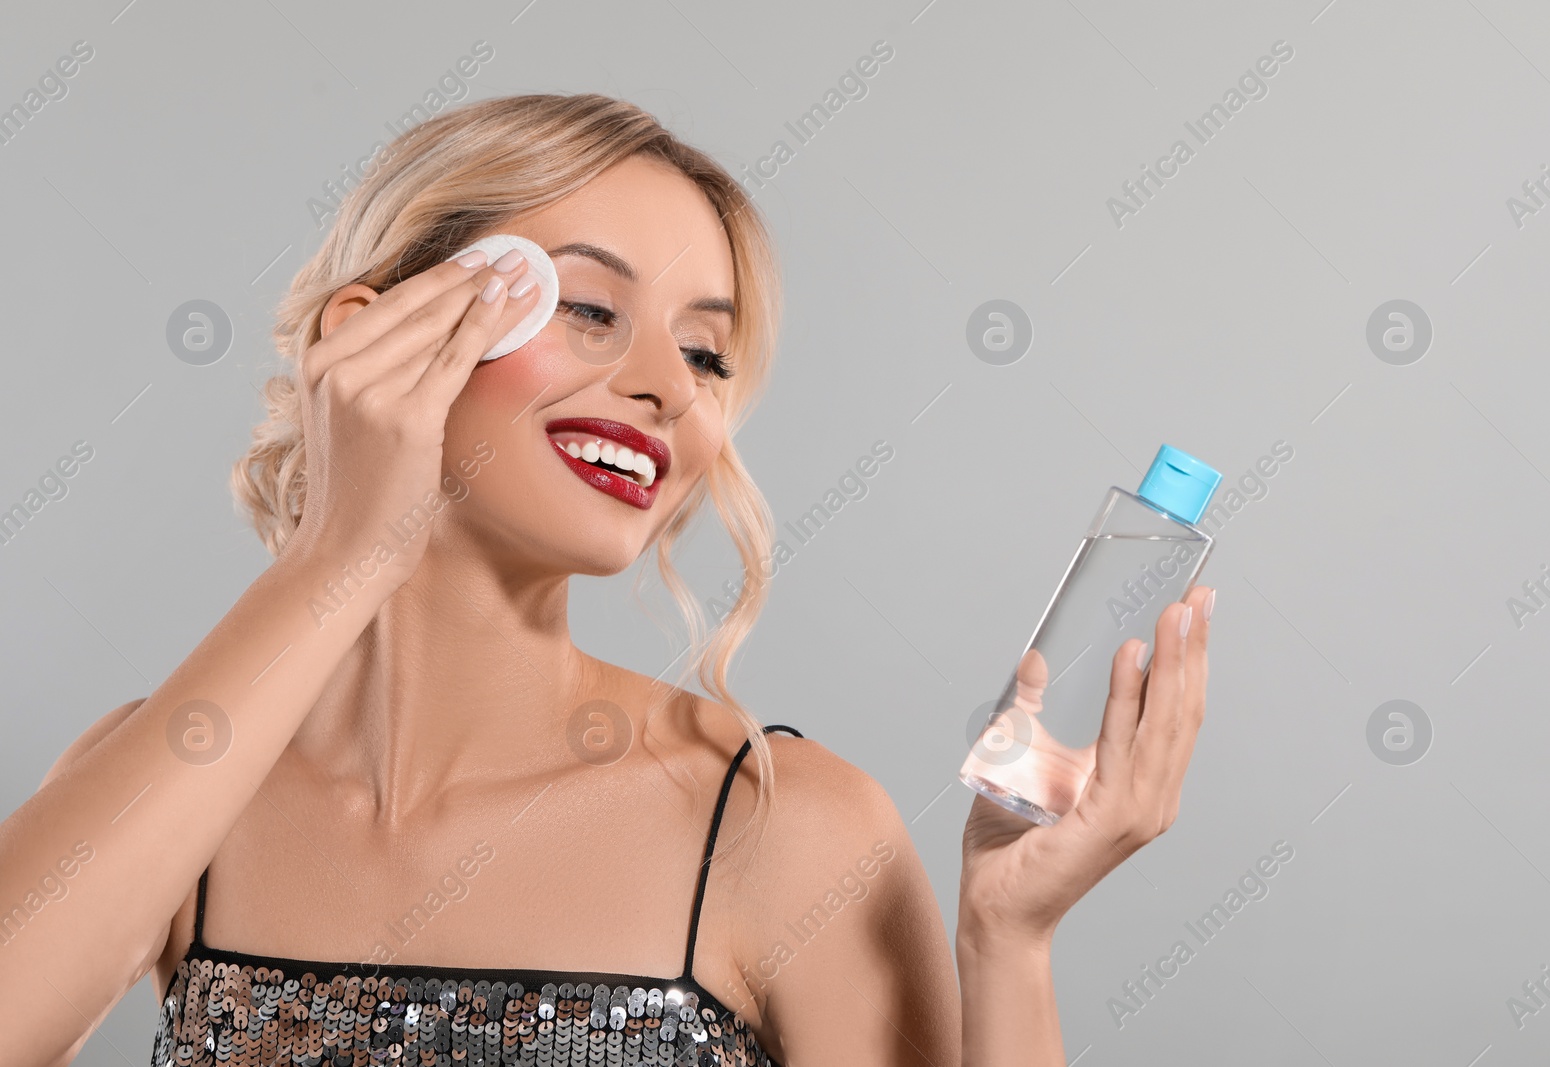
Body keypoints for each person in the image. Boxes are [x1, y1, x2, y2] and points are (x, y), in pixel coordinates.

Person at [0, 93, 1214, 1066]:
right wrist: (341, 558)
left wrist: (1009, 943)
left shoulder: (779, 825)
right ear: (371, 336)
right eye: (588, 308)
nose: (669, 386)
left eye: (704, 351)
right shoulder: (171, 788)